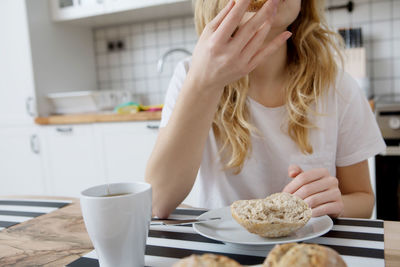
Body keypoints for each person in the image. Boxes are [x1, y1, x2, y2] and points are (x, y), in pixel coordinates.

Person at [145, 0, 385, 219]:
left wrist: (336, 204)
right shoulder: (191, 76)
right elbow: (157, 202)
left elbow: (364, 200)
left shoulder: (337, 86)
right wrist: (203, 83)